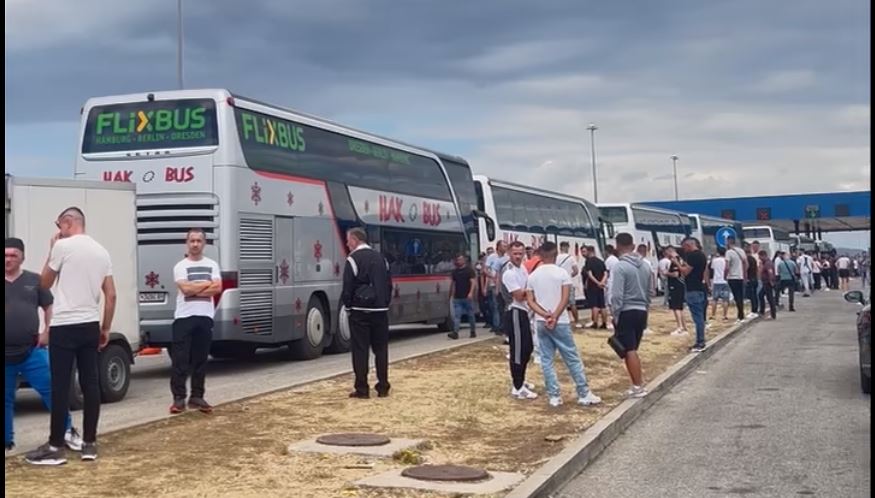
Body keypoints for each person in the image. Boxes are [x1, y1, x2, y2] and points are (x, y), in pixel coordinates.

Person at [26, 207, 115, 465]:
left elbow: (43, 283)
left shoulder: (63, 247)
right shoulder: (101, 251)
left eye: (59, 225)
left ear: (68, 223)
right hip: (89, 323)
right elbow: (111, 295)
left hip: (65, 324)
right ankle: (89, 443)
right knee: (90, 383)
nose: (58, 230)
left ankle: (56, 445)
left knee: (61, 384)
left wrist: (52, 247)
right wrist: (105, 328)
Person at [5, 238, 82, 455]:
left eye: (13, 255)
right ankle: (6, 440)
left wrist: (47, 331)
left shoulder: (35, 280)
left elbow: (49, 307)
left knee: (53, 390)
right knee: (5, 398)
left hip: (32, 350)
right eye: (5, 255)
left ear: (22, 257)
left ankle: (66, 432)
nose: (8, 259)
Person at [527, 242, 602, 408]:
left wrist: (544, 314)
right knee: (571, 358)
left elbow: (530, 300)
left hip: (541, 321)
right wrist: (554, 315)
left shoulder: (533, 276)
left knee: (547, 360)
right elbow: (565, 298)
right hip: (560, 321)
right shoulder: (562, 274)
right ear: (555, 255)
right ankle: (583, 392)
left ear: (540, 255)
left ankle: (554, 396)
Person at [169, 228, 222, 414]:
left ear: (204, 243)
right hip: (184, 317)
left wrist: (195, 288)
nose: (195, 244)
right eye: (192, 241)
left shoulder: (213, 265)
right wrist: (206, 284)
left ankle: (197, 396)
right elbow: (185, 290)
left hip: (205, 317)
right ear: (187, 243)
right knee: (180, 360)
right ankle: (178, 398)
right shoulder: (180, 266)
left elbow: (217, 288)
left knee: (200, 359)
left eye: (199, 241)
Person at [341, 228, 393, 399]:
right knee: (381, 349)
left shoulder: (352, 259)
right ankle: (383, 386)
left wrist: (348, 307)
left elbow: (347, 287)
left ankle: (362, 388)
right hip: (380, 310)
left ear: (355, 240)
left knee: (360, 350)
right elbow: (388, 284)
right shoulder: (381, 258)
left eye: (348, 240)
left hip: (360, 310)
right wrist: (385, 303)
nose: (347, 244)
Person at [610, 233, 653, 398]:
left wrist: (615, 313)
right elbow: (650, 290)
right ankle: (636, 384)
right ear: (633, 245)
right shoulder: (646, 266)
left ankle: (637, 386)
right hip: (641, 309)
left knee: (629, 349)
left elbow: (616, 295)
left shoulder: (620, 266)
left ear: (618, 245)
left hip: (626, 310)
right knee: (633, 348)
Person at [501, 241, 537, 400]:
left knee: (527, 347)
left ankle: (521, 379)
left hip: (524, 312)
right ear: (509, 253)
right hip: (514, 311)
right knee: (518, 350)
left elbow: (527, 288)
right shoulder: (509, 272)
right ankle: (517, 386)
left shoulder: (522, 268)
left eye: (520, 253)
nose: (518, 256)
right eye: (515, 253)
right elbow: (519, 295)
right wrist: (531, 292)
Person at [677, 237, 708, 352]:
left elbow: (685, 271)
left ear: (688, 245)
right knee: (700, 316)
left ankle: (700, 342)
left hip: (692, 289)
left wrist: (676, 263)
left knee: (697, 317)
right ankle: (700, 340)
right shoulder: (701, 255)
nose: (684, 250)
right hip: (700, 287)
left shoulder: (692, 256)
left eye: (684, 247)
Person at [448, 254, 477, 340]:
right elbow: (453, 284)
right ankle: (455, 332)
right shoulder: (455, 272)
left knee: (471, 315)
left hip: (467, 296)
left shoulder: (469, 271)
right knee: (457, 316)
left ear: (464, 260)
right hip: (458, 297)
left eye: (460, 259)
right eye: (458, 260)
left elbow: (473, 282)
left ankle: (472, 331)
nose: (459, 261)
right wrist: (452, 295)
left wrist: (471, 293)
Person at [485, 241, 509, 334]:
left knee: (503, 306)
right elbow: (485, 269)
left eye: (506, 246)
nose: (505, 247)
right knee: (495, 306)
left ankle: (502, 325)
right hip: (494, 285)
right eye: (503, 246)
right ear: (498, 247)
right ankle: (497, 326)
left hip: (504, 285)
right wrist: (493, 277)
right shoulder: (492, 257)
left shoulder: (507, 258)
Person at [664, 247, 688, 336]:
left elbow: (676, 274)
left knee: (676, 307)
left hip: (676, 285)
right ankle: (684, 327)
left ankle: (680, 327)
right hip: (680, 285)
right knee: (680, 307)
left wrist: (667, 273)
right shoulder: (681, 259)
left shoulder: (675, 260)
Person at [583, 246, 608, 329]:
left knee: (595, 305)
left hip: (592, 286)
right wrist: (602, 282)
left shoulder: (588, 261)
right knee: (602, 305)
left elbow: (590, 274)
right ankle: (604, 323)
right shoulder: (601, 261)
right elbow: (605, 273)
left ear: (589, 251)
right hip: (601, 286)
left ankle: (595, 323)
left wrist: (597, 283)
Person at [557, 241, 581, 327]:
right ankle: (577, 321)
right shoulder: (571, 258)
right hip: (568, 283)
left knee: (560, 302)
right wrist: (569, 275)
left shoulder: (556, 258)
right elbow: (576, 271)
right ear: (567, 247)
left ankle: (562, 320)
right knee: (572, 303)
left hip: (559, 283)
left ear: (560, 248)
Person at [725, 237, 748, 323]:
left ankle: (740, 315)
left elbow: (727, 267)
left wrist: (725, 275)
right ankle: (741, 314)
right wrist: (744, 274)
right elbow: (746, 264)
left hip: (732, 277)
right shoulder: (741, 251)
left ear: (728, 242)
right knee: (740, 296)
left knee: (736, 296)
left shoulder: (728, 252)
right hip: (740, 277)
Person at [709, 247, 731, 322]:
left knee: (714, 299)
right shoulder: (726, 260)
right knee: (725, 299)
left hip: (716, 281)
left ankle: (713, 315)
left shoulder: (714, 260)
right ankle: (724, 315)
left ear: (718, 252)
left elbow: (712, 269)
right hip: (725, 281)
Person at [758, 250, 777, 320]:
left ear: (764, 256)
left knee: (770, 298)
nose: (760, 258)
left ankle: (773, 314)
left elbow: (770, 273)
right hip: (765, 282)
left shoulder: (768, 263)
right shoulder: (765, 263)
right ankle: (762, 311)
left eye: (760, 257)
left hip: (767, 283)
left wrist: (771, 281)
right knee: (761, 295)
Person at [603, 244, 619, 330]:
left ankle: (613, 321)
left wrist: (603, 282)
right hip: (615, 283)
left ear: (606, 251)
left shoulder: (608, 261)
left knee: (609, 304)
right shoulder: (616, 259)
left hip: (610, 283)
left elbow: (607, 273)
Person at [743, 244, 760, 319]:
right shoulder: (753, 259)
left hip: (749, 279)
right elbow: (756, 269)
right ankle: (755, 308)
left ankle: (753, 310)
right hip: (754, 278)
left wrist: (745, 279)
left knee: (750, 296)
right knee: (754, 295)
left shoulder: (747, 260)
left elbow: (746, 269)